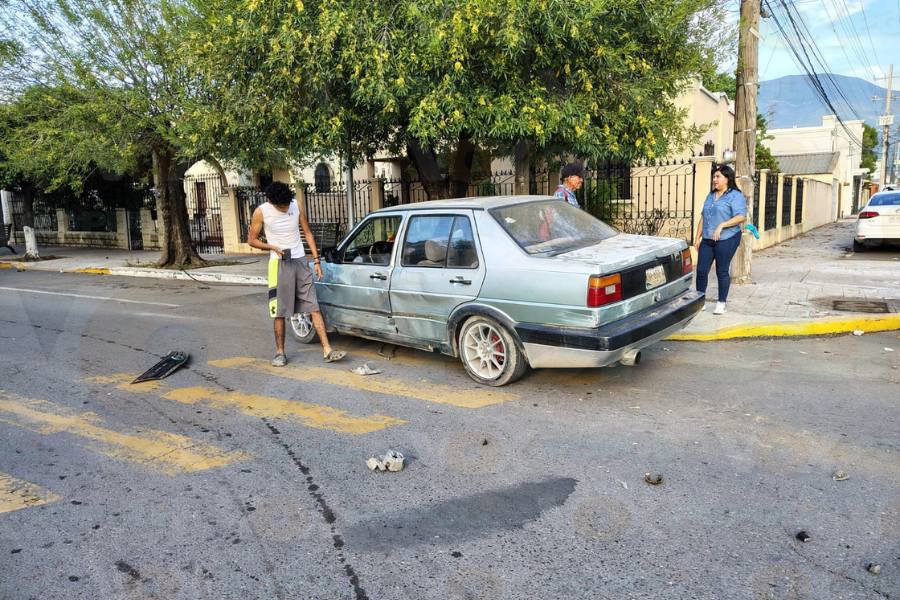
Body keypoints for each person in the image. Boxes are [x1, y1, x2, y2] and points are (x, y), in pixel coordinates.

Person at [247, 181, 345, 366]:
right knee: (280, 312)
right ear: (271, 201)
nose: (285, 209)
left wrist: (316, 261)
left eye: (286, 205)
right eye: (281, 207)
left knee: (313, 306)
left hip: (300, 261)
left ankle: (327, 350)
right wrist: (272, 247)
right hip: (279, 264)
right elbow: (251, 240)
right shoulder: (261, 211)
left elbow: (307, 233)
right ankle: (280, 353)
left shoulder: (295, 205)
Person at [693, 164, 747, 315]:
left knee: (721, 270)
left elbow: (741, 217)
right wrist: (697, 237)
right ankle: (700, 300)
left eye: (718, 177)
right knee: (701, 270)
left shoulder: (735, 196)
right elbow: (703, 216)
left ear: (727, 178)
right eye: (714, 177)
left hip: (727, 238)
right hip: (708, 239)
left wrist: (722, 225)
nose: (714, 179)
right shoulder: (710, 195)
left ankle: (721, 303)